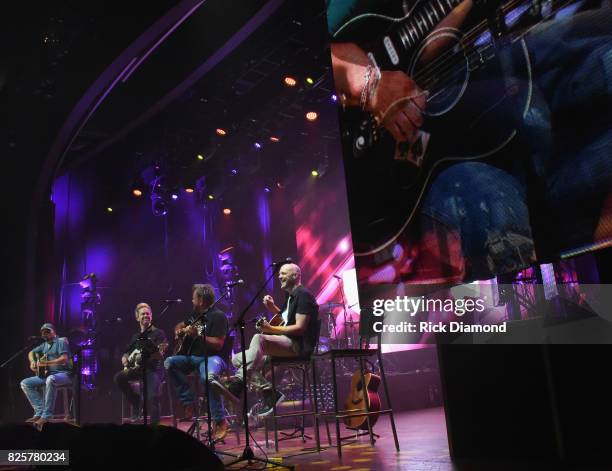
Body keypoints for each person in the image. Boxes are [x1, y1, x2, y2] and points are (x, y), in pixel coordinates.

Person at [328, 0, 612, 285]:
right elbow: (313, 62)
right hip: (444, 167)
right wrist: (370, 84)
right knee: (493, 207)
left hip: (503, 83)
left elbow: (426, 44)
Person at [214, 263, 319, 417]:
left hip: (299, 346)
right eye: (279, 274)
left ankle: (239, 382)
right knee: (237, 359)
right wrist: (272, 307)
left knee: (259, 338)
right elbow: (287, 320)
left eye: (283, 273)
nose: (279, 276)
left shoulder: (303, 295)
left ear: (295, 276)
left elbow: (299, 328)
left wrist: (271, 329)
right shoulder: (291, 297)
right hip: (287, 343)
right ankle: (269, 393)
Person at [164, 284, 230, 441]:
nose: (191, 300)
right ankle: (189, 402)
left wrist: (198, 336)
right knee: (169, 362)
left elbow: (219, 344)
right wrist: (179, 330)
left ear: (200, 300)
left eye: (194, 297)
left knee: (208, 377)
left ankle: (220, 421)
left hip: (213, 358)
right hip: (192, 358)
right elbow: (181, 324)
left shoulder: (218, 316)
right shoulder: (195, 314)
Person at [113, 302, 168, 425]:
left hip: (154, 369)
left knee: (152, 396)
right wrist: (125, 358)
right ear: (137, 318)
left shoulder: (159, 333)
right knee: (118, 378)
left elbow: (160, 354)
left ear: (151, 316)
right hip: (139, 369)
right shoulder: (136, 337)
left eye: (148, 314)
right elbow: (126, 352)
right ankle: (136, 401)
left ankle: (155, 426)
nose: (145, 316)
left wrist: (148, 354)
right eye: (142, 314)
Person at [20, 323, 73, 427]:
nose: (45, 334)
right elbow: (31, 352)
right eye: (43, 332)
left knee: (50, 379)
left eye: (48, 331)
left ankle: (46, 415)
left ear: (53, 332)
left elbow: (64, 359)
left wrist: (46, 363)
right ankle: (39, 412)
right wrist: (32, 362)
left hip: (64, 375)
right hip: (48, 375)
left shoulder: (60, 342)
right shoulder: (44, 345)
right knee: (25, 383)